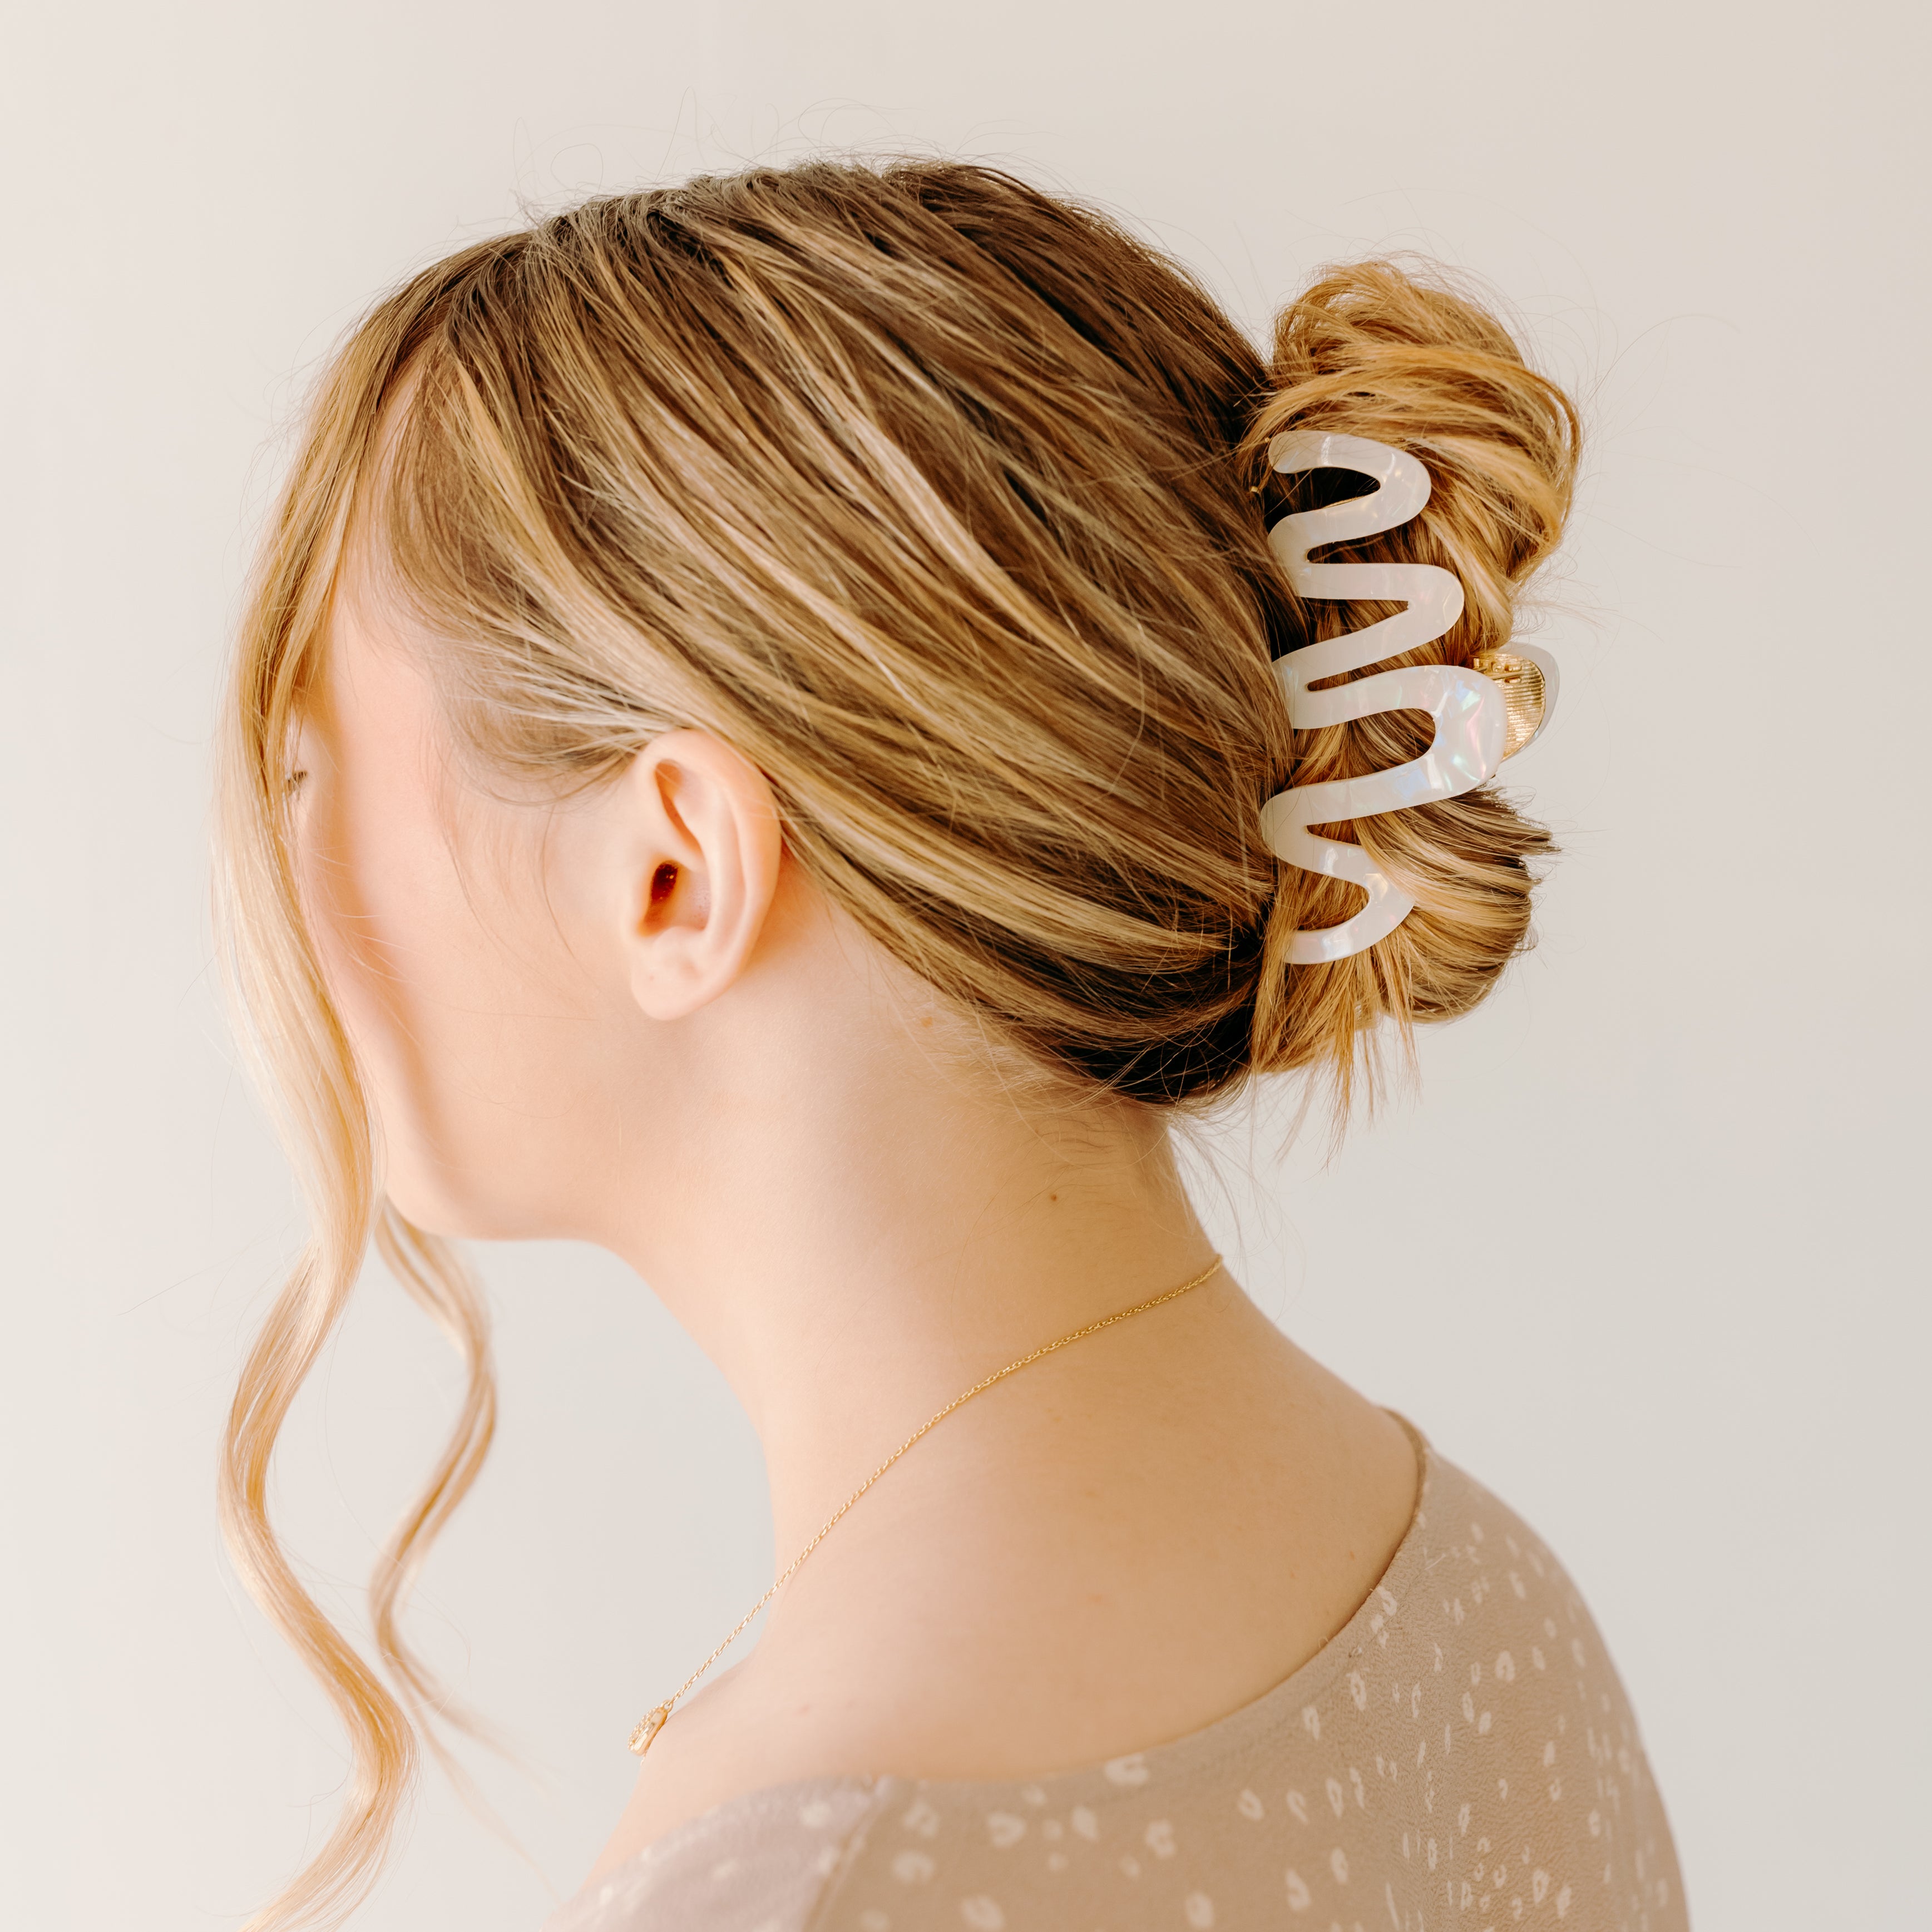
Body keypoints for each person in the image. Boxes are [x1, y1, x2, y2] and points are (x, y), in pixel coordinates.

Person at [216, 157, 1685, 1932]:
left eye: (309, 766)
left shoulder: (806, 1885)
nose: (280, 863)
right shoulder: (1474, 1597)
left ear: (670, 870)